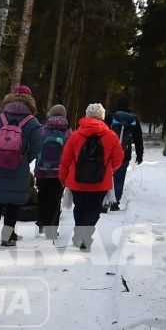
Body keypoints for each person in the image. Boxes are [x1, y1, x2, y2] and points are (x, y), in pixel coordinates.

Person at [0, 88, 43, 247]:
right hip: (18, 169)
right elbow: (36, 147)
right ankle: (7, 238)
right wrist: (24, 159)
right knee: (13, 206)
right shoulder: (32, 122)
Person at [59, 102, 126, 250]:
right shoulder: (110, 135)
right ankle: (84, 236)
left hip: (77, 181)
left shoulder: (76, 135)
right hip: (100, 182)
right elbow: (119, 158)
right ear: (102, 117)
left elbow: (65, 159)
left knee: (80, 207)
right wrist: (109, 169)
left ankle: (79, 235)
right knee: (94, 209)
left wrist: (63, 177)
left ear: (87, 115)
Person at [32, 104, 71, 240]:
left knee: (42, 196)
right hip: (59, 172)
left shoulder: (42, 130)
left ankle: (42, 222)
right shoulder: (68, 132)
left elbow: (36, 148)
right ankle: (52, 229)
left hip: (42, 170)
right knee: (55, 199)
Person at [106, 96, 144, 212]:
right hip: (124, 154)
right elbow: (138, 138)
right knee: (119, 178)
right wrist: (139, 154)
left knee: (107, 177)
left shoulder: (110, 116)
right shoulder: (133, 119)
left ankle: (104, 203)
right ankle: (114, 203)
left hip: (109, 153)